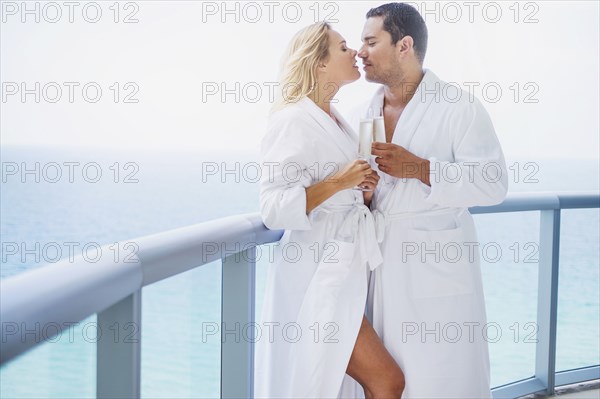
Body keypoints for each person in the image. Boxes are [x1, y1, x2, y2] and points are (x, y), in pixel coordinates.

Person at [356, 3, 509, 398]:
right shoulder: (365, 112)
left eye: (371, 42)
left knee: (442, 375)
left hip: (437, 269)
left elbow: (493, 184)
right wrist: (366, 195)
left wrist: (422, 169)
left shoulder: (459, 107)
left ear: (404, 45)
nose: (360, 52)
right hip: (381, 264)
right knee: (392, 377)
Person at [256, 22, 405, 399]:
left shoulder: (335, 119)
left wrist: (362, 192)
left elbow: (338, 187)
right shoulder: (291, 120)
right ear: (319, 64)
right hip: (317, 275)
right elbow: (273, 208)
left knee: (335, 382)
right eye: (342, 48)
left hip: (345, 269)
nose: (355, 51)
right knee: (386, 380)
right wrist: (340, 183)